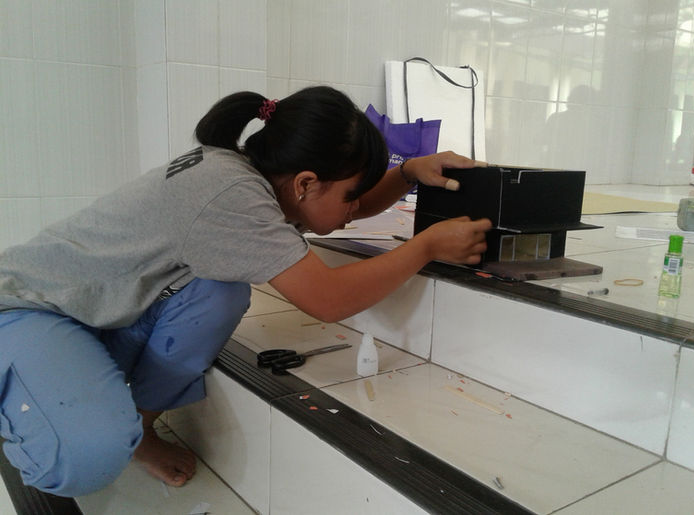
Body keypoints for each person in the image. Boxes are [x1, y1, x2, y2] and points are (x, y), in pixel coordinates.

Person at [0, 86, 491, 497]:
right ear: (305, 183)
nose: (356, 208)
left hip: (94, 312)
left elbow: (339, 210)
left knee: (221, 292)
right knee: (86, 459)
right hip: (27, 311)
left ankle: (138, 428)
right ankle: (27, 404)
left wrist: (408, 172)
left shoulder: (250, 179)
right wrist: (426, 246)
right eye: (351, 194)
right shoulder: (231, 195)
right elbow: (329, 300)